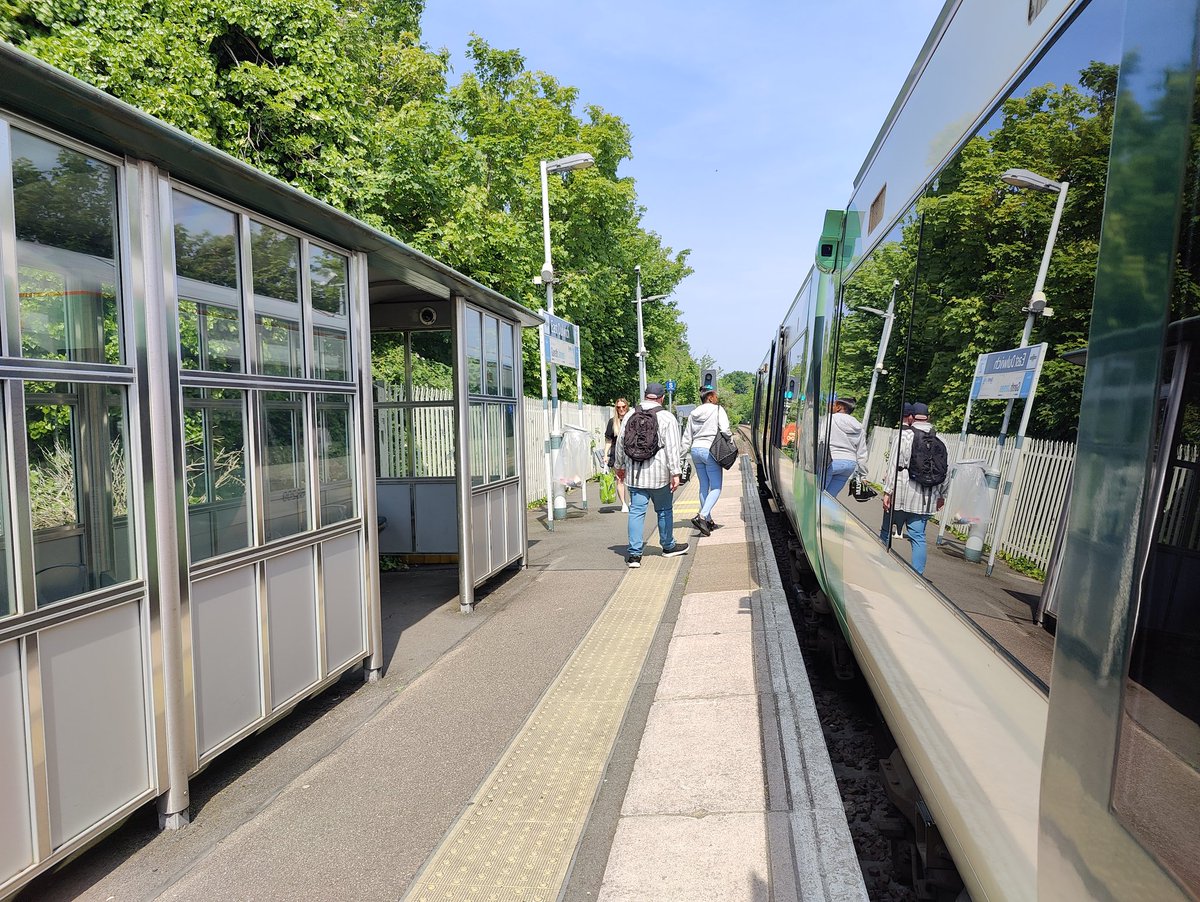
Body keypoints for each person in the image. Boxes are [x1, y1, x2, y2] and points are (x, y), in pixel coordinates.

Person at [614, 383, 689, 568]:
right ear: (661, 398)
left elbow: (621, 444)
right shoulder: (666, 417)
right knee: (664, 510)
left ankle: (634, 555)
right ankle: (668, 547)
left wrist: (619, 466)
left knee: (636, 512)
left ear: (646, 396)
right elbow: (672, 448)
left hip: (635, 474)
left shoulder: (630, 414)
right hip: (660, 475)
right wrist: (676, 473)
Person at [880, 401, 948, 576]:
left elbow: (893, 465)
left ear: (911, 418)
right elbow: (946, 470)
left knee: (887, 530)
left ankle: (880, 564)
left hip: (902, 493)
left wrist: (887, 492)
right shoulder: (941, 439)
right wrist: (941, 495)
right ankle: (917, 574)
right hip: (926, 497)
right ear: (928, 418)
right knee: (918, 536)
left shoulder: (903, 436)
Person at [680, 385, 731, 536]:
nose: (717, 398)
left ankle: (707, 521)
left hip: (695, 450)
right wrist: (730, 441)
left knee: (704, 486)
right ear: (710, 397)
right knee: (716, 487)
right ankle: (702, 516)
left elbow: (686, 437)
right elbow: (725, 429)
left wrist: (681, 456)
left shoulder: (693, 413)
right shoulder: (717, 410)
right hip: (710, 451)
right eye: (715, 395)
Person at [823, 396, 868, 498]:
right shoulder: (859, 426)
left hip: (832, 462)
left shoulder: (830, 419)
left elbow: (821, 439)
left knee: (817, 496)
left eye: (833, 404)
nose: (831, 406)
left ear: (839, 407)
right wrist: (863, 475)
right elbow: (862, 453)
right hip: (850, 464)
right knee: (829, 498)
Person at [604, 397, 631, 511]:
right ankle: (624, 503)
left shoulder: (632, 420)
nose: (621, 409)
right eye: (618, 407)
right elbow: (608, 440)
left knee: (631, 478)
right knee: (620, 478)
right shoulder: (612, 421)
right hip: (616, 453)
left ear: (627, 407)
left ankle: (632, 501)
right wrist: (605, 454)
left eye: (623, 407)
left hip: (631, 452)